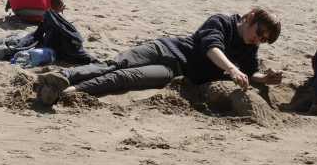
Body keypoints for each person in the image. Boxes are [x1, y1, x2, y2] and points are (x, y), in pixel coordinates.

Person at [35, 7, 282, 106]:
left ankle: (70, 91)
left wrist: (263, 79)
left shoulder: (250, 48)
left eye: (265, 39)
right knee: (114, 64)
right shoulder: (221, 22)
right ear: (249, 17)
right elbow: (211, 47)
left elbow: (250, 71)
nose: (258, 39)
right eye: (259, 32)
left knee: (125, 78)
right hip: (163, 49)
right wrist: (231, 69)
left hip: (175, 72)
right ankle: (63, 76)